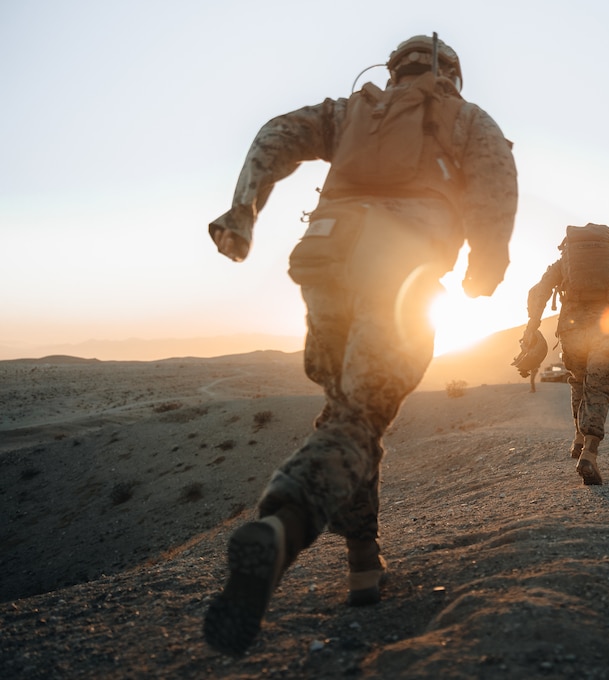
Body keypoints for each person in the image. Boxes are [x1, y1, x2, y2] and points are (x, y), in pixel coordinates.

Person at [202, 34, 518, 656]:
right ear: (451, 74)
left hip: (325, 262)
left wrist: (243, 212)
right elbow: (496, 181)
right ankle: (283, 525)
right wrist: (488, 262)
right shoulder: (465, 117)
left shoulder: (350, 111)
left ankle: (363, 563)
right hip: (400, 272)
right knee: (359, 416)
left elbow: (274, 134)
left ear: (393, 70)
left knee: (350, 413)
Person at [522, 224, 609, 485]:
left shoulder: (563, 264)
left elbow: (538, 292)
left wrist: (532, 325)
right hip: (606, 331)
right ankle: (589, 454)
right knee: (600, 389)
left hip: (571, 333)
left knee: (579, 381)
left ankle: (578, 438)